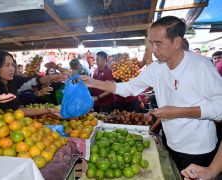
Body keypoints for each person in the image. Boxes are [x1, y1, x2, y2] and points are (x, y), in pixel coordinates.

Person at [81, 16, 222, 171]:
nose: (153, 49)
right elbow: (129, 88)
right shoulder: (157, 68)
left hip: (199, 149)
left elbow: (219, 108)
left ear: (177, 42)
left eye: (158, 43)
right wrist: (93, 82)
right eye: (151, 43)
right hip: (170, 142)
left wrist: (178, 112)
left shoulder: (201, 66)